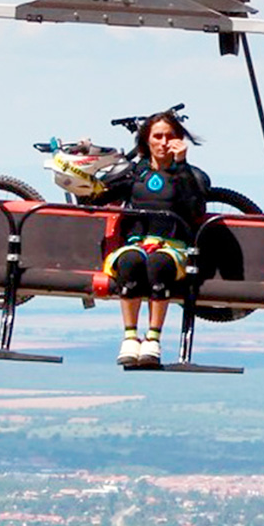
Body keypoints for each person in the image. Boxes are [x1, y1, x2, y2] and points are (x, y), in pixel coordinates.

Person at [94, 110, 211, 369]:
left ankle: (153, 339)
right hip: (137, 243)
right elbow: (97, 196)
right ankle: (130, 337)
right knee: (130, 262)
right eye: (157, 136)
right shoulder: (135, 174)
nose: (163, 142)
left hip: (173, 247)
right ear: (147, 141)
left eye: (170, 136)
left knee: (158, 265)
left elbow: (196, 209)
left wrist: (180, 165)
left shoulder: (192, 176)